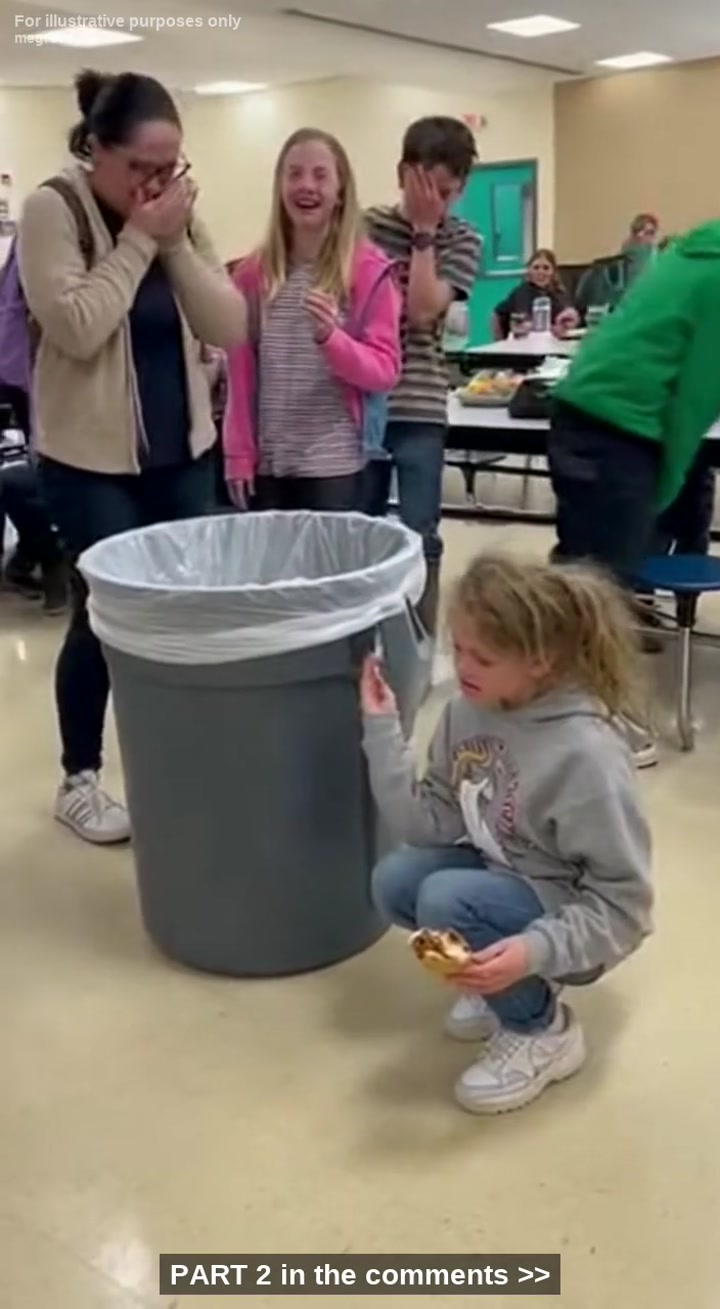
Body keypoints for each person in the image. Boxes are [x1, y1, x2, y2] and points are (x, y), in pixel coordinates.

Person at [18, 68, 247, 845]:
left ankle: (180, 764)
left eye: (169, 167)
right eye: (141, 167)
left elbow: (228, 324)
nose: (156, 183)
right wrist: (142, 238)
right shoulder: (53, 208)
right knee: (108, 615)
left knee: (182, 614)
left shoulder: (178, 216)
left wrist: (173, 241)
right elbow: (78, 325)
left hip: (180, 454)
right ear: (98, 150)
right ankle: (79, 776)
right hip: (88, 464)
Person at [361, 553, 653, 1115]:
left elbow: (626, 908)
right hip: (508, 875)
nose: (462, 666)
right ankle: (499, 974)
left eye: (483, 657)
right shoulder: (468, 709)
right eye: (458, 649)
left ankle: (543, 1030)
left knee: (446, 900)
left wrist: (533, 950)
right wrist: (381, 729)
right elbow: (427, 823)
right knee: (394, 882)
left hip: (577, 921)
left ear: (540, 660)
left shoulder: (587, 757)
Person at [223, 128, 401, 513]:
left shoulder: (368, 271)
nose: (306, 185)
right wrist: (238, 453)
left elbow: (384, 371)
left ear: (340, 192)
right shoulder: (251, 276)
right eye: (294, 174)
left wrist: (332, 340)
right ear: (280, 187)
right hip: (269, 465)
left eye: (320, 175)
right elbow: (239, 375)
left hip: (335, 466)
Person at [364, 117, 481, 635]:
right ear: (402, 175)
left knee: (420, 531)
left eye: (447, 192)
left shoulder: (462, 238)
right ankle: (363, 637)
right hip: (363, 401)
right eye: (425, 187)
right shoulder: (364, 227)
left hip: (421, 403)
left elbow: (422, 310)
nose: (435, 201)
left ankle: (419, 637)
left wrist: (424, 234)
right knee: (361, 527)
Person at [491, 249, 579, 340]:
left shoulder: (559, 292)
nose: (541, 272)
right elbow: (524, 324)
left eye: (546, 268)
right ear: (529, 271)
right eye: (536, 268)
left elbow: (571, 316)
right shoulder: (522, 292)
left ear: (553, 271)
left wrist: (568, 320)